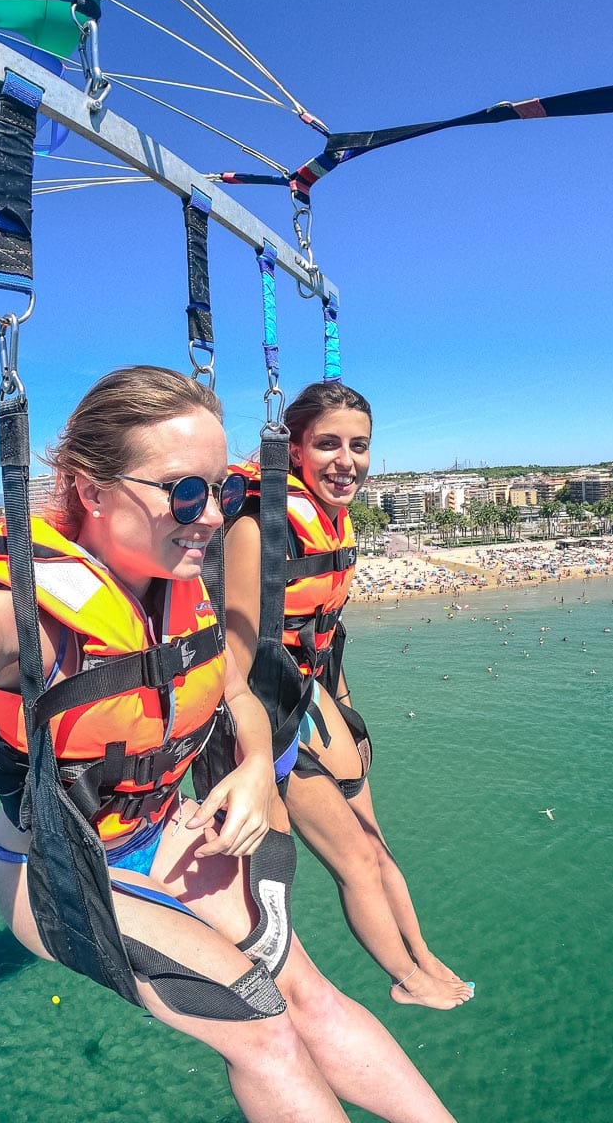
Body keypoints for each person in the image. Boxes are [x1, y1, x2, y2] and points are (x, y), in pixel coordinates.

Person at [0, 366, 457, 1123]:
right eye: (185, 491)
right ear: (91, 492)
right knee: (265, 1031)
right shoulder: (31, 623)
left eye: (222, 491)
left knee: (311, 996)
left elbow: (237, 694)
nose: (211, 516)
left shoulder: (182, 592)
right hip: (65, 874)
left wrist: (251, 768)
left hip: (170, 838)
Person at [223, 380, 473, 1011]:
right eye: (328, 444)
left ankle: (422, 950)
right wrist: (257, 756)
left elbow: (322, 635)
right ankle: (406, 979)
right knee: (355, 861)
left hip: (312, 697)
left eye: (359, 446)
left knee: (377, 840)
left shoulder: (337, 523)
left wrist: (349, 714)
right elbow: (233, 656)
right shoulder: (260, 530)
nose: (347, 460)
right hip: (268, 718)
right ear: (296, 450)